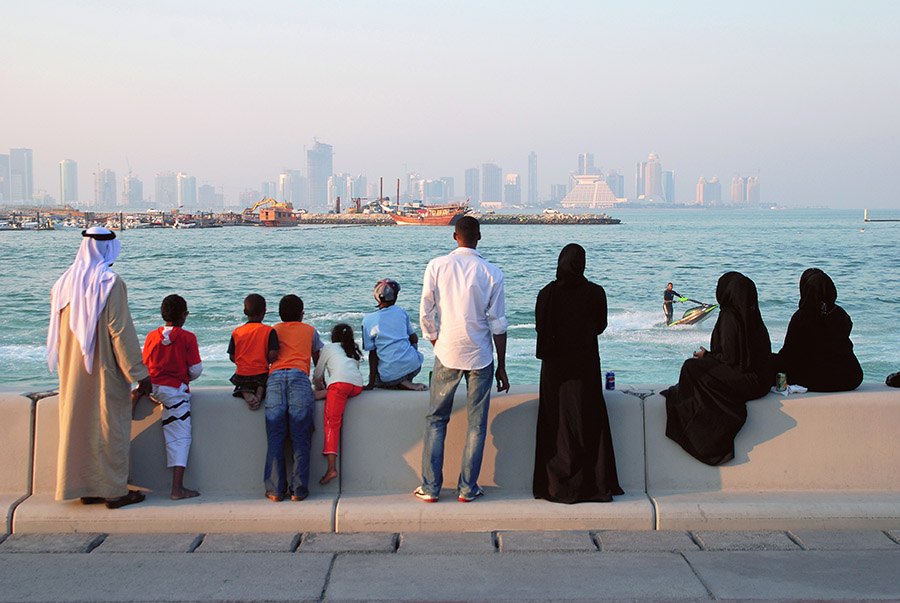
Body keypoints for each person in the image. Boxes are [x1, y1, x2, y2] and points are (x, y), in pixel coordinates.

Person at [46, 226, 149, 508]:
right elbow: (120, 331)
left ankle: (84, 486)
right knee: (109, 427)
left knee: (78, 426)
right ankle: (115, 492)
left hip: (72, 371)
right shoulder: (110, 283)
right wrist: (139, 373)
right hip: (103, 368)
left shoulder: (63, 283)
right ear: (107, 249)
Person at [416, 216, 510, 503]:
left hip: (447, 352)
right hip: (480, 354)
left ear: (454, 237)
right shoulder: (493, 272)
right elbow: (498, 324)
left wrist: (435, 340)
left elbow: (426, 311)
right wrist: (502, 365)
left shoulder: (437, 266)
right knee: (477, 425)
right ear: (479, 237)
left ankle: (431, 488)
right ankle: (468, 489)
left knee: (436, 420)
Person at [533, 244, 624, 503]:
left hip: (555, 371)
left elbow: (540, 326)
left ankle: (555, 486)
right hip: (585, 366)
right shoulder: (595, 293)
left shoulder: (546, 294)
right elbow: (600, 326)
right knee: (587, 422)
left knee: (556, 423)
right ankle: (591, 486)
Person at [662, 272, 773, 466]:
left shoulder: (729, 315)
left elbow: (729, 359)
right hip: (761, 381)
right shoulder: (752, 313)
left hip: (745, 381)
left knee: (691, 368)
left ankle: (694, 434)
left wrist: (708, 356)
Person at [139, 294, 202, 500]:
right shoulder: (187, 337)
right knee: (180, 437)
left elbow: (144, 365)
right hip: (175, 392)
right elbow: (195, 370)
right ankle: (177, 489)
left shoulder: (151, 336)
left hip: (154, 389)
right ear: (185, 315)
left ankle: (135, 398)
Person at [264, 294, 323, 501]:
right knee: (301, 437)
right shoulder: (310, 331)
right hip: (299, 378)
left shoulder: (273, 330)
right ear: (302, 314)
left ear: (280, 314)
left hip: (275, 379)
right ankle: (298, 489)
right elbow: (318, 358)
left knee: (275, 437)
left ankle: (274, 489)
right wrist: (320, 383)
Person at [774, 269, 863, 392]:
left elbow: (789, 352)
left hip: (817, 379)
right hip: (850, 377)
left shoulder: (801, 317)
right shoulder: (841, 314)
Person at [313, 323, 365, 486]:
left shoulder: (329, 348)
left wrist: (319, 386)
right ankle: (327, 393)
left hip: (339, 386)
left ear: (333, 337)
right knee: (336, 391)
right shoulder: (351, 350)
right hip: (356, 387)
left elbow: (317, 373)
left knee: (331, 424)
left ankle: (331, 468)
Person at [362, 279, 426, 391]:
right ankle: (404, 380)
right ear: (395, 297)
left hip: (388, 376)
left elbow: (372, 353)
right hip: (413, 368)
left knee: (381, 377)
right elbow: (414, 339)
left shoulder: (368, 320)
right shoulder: (401, 312)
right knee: (411, 345)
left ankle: (398, 381)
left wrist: (371, 383)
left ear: (375, 297)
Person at [227, 294, 278, 411]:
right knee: (266, 380)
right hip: (261, 374)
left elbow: (232, 356)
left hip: (242, 374)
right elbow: (273, 355)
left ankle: (245, 390)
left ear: (245, 311)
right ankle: (259, 394)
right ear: (264, 312)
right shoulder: (269, 331)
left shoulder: (237, 332)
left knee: (241, 381)